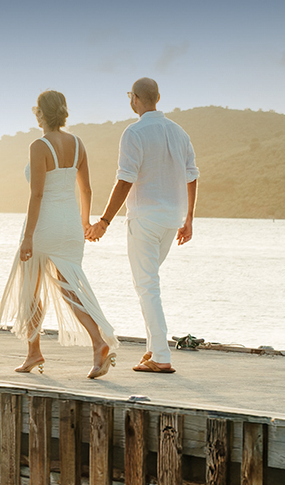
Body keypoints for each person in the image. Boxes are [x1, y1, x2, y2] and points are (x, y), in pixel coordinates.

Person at [0, 90, 119, 379]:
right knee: (70, 288)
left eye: (36, 111)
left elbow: (37, 194)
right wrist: (85, 222)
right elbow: (86, 189)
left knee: (30, 288)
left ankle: (33, 351)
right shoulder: (77, 144)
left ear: (41, 113)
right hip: (71, 226)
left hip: (45, 224)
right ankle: (98, 342)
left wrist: (28, 236)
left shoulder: (39, 146)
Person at [85, 77, 197, 374]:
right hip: (172, 219)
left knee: (147, 285)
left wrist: (104, 221)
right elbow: (192, 175)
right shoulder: (179, 132)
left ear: (134, 98)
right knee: (148, 283)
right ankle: (152, 350)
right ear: (157, 98)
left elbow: (125, 179)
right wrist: (189, 218)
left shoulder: (134, 132)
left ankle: (161, 355)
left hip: (146, 217)